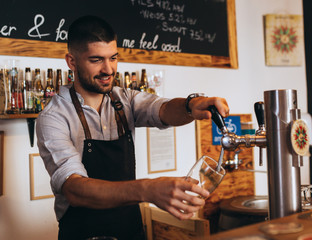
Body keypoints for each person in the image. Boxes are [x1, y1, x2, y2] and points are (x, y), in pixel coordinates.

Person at [36, 15, 229, 240]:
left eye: (113, 58)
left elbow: (163, 109)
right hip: (82, 234)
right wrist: (147, 190)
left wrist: (191, 105)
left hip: (131, 232)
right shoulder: (54, 117)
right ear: (72, 61)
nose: (108, 69)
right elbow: (74, 189)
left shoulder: (123, 100)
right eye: (96, 60)